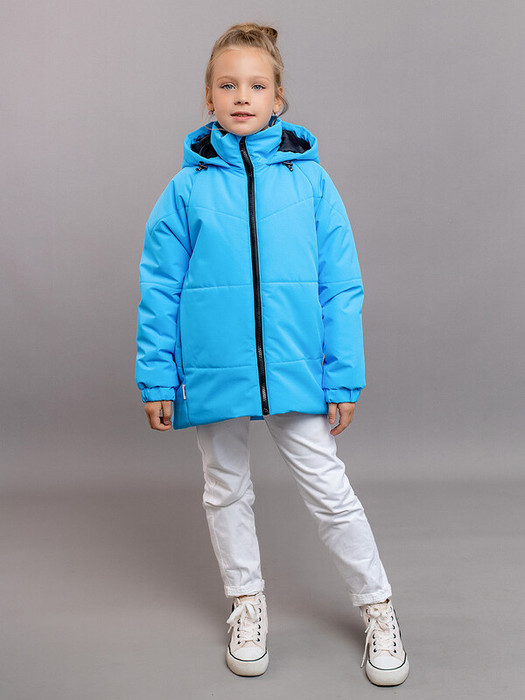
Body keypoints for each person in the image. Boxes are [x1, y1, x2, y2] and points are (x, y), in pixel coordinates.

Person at [135, 21, 409, 687]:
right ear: (208, 96)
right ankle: (246, 604)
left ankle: (378, 608)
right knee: (225, 488)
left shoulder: (312, 184)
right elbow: (159, 286)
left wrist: (342, 378)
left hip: (296, 366)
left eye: (256, 86)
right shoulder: (186, 190)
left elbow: (340, 285)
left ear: (278, 98)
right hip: (213, 368)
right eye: (227, 85)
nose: (241, 96)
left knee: (329, 490)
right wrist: (157, 378)